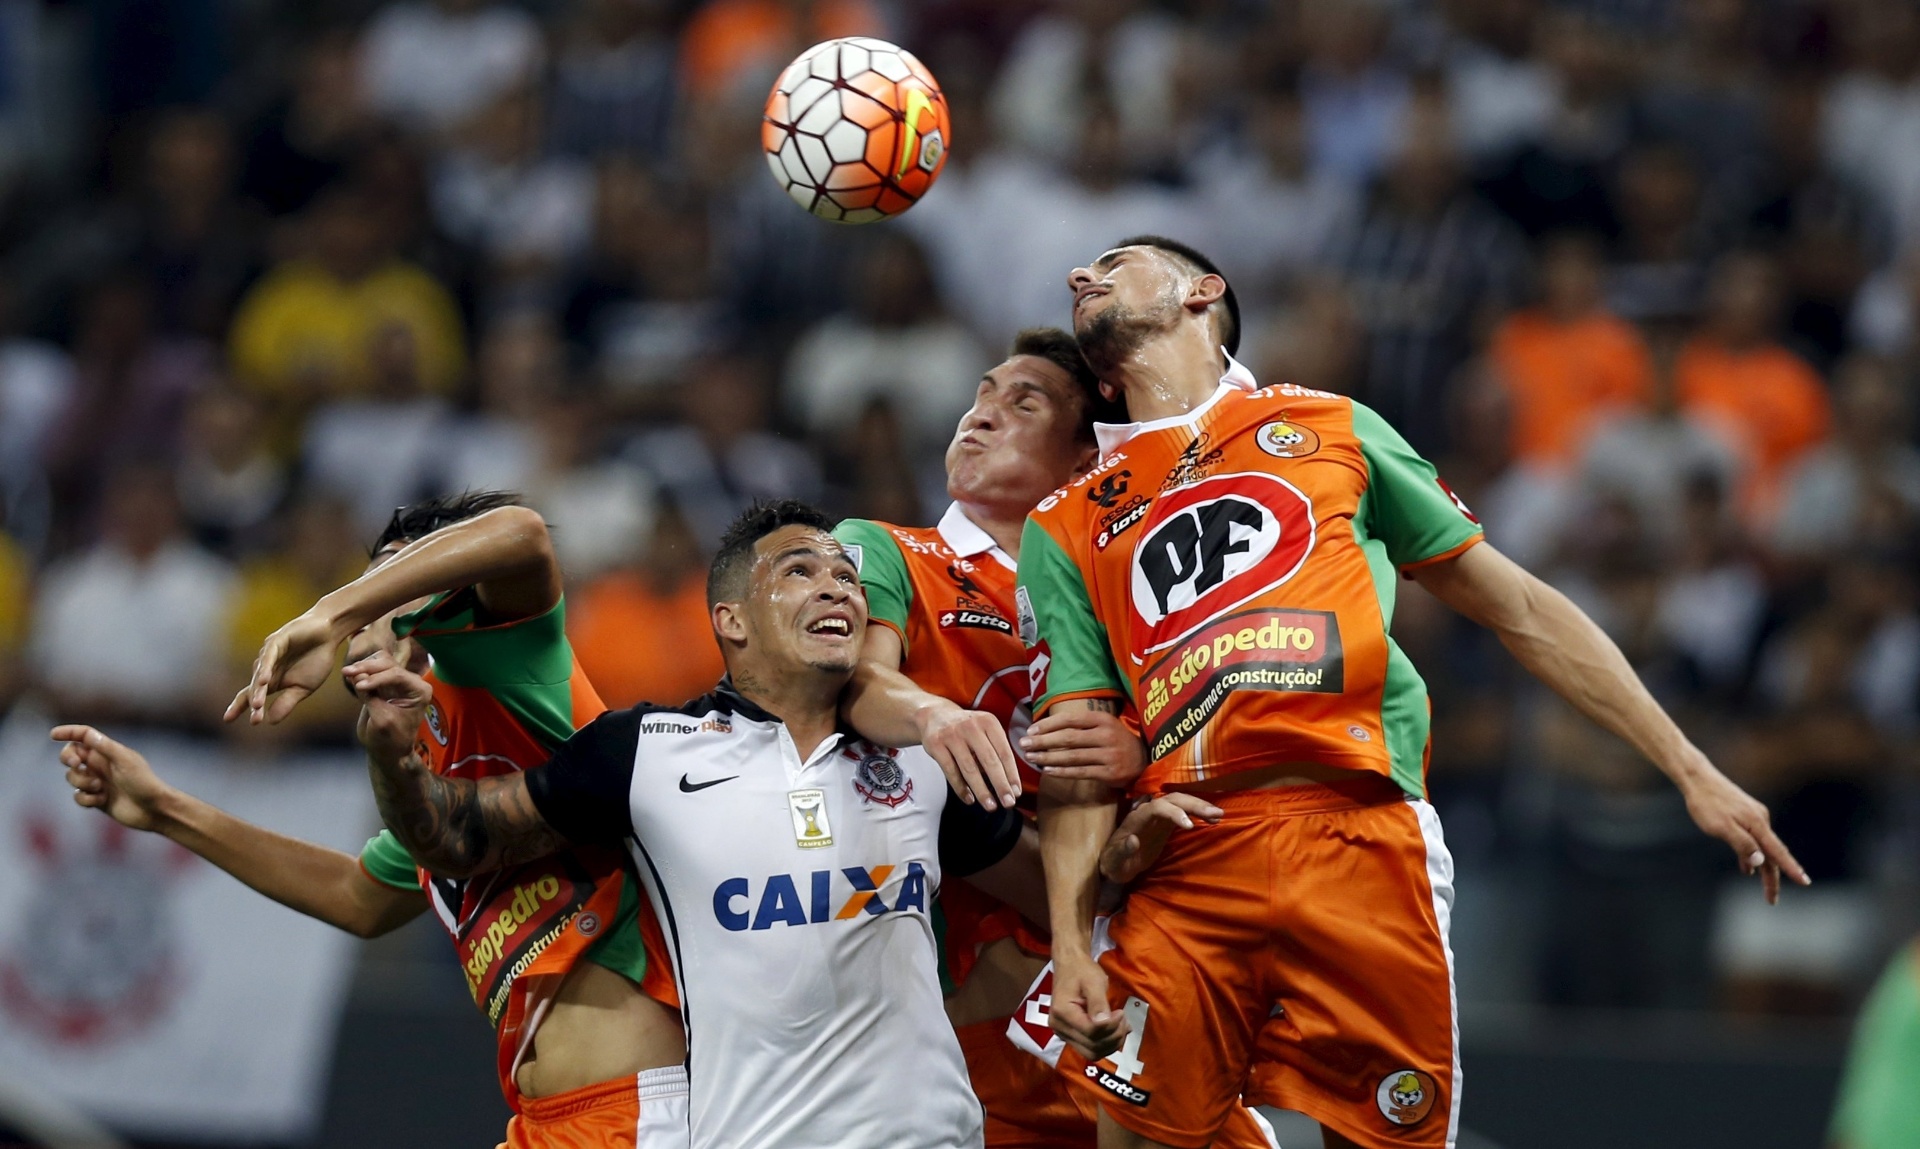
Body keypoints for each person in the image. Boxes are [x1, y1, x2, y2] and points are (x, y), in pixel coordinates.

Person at [1020, 236, 1810, 1149]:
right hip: (1187, 859)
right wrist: (1074, 945)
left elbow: (1517, 605)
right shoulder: (1066, 520)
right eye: (1084, 269)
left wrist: (1688, 763)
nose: (1084, 275)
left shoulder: (1330, 426)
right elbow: (1076, 751)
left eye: (1116, 262)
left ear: (1204, 292)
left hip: (1361, 833)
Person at [341, 499, 1029, 1148]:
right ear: (732, 620)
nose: (837, 588)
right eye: (799, 571)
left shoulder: (926, 759)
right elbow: (454, 836)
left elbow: (1045, 886)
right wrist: (392, 756)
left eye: (848, 577)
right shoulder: (645, 752)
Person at [57, 493, 689, 1149]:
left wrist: (329, 612)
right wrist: (164, 807)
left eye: (398, 587)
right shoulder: (425, 775)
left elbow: (520, 533)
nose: (378, 613)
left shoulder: (503, 668)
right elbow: (355, 896)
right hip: (544, 1121)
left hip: (633, 1111)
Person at [833, 329, 1275, 1148]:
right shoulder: (892, 549)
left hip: (1134, 984)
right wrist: (934, 713)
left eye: (1022, 402)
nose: (980, 414)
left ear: (1083, 461)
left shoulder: (1131, 577)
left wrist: (1142, 762)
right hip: (986, 1033)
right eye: (983, 393)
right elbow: (858, 682)